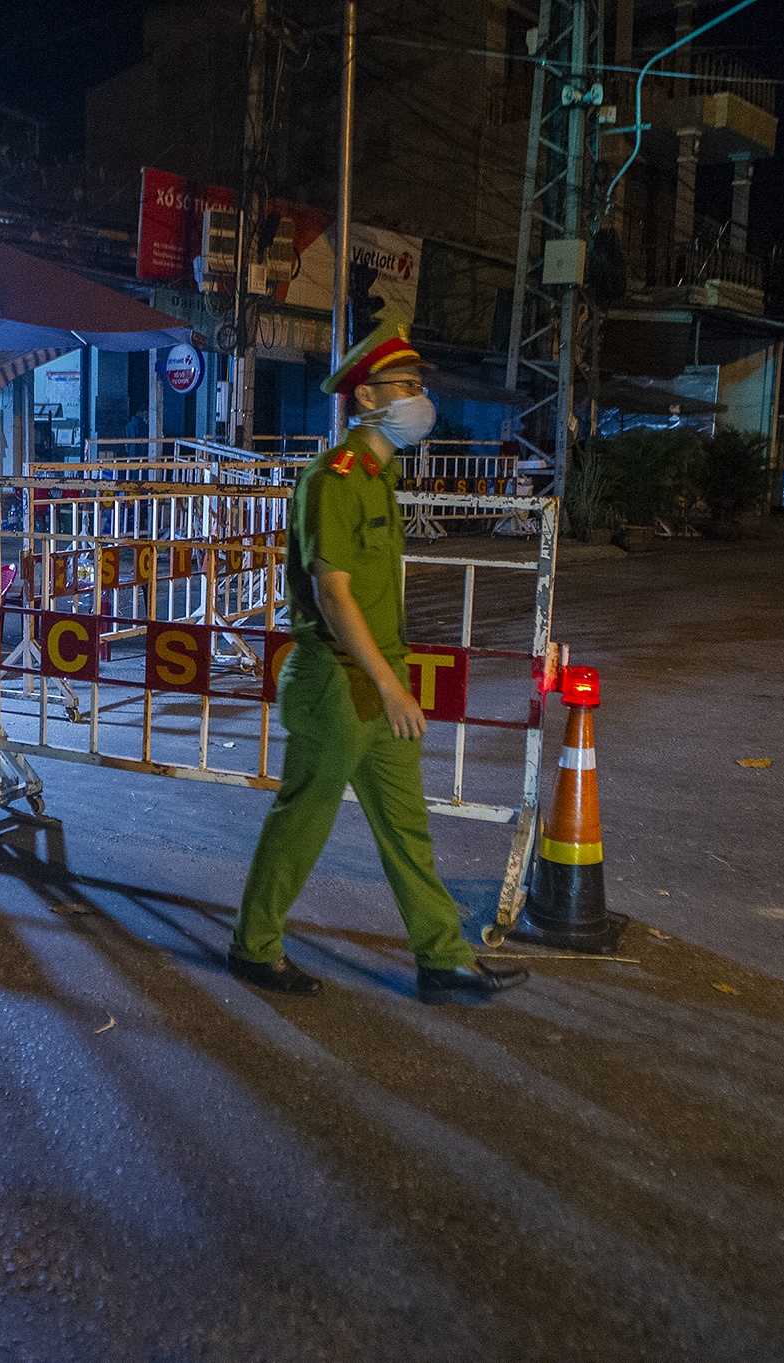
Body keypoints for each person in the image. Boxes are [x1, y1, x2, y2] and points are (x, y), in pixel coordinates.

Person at [229, 323, 529, 1004]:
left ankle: (442, 958)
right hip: (338, 679)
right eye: (407, 386)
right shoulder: (333, 480)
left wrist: (392, 679)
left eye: (420, 386)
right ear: (366, 394)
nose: (419, 398)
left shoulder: (380, 476)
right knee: (303, 821)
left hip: (378, 675)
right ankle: (254, 945)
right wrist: (393, 687)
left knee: (406, 828)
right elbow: (334, 597)